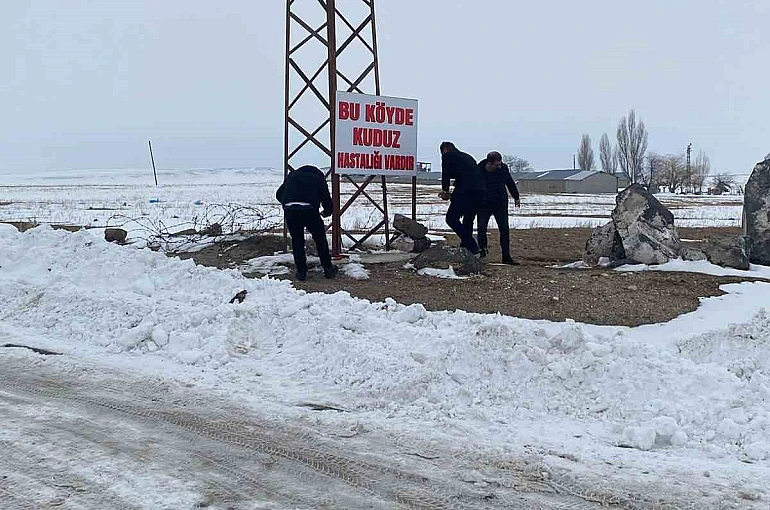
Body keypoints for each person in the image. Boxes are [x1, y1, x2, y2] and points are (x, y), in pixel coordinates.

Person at [276, 165, 339, 281]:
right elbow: (326, 198)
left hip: (291, 211)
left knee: (297, 241)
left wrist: (289, 202)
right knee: (320, 239)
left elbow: (279, 194)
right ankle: (328, 268)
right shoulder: (318, 178)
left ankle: (301, 272)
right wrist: (327, 212)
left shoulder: (292, 176)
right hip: (310, 211)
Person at [438, 142, 485, 255]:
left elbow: (446, 174)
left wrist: (445, 190)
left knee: (451, 219)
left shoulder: (448, 156)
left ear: (444, 150)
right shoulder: (467, 157)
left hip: (465, 191)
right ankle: (466, 249)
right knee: (468, 220)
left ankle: (473, 247)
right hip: (480, 192)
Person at [477, 151, 521, 264]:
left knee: (504, 230)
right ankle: (482, 253)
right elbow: (472, 183)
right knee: (481, 229)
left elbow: (510, 182)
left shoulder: (503, 168)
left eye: (499, 164)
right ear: (489, 163)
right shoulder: (479, 168)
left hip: (500, 203)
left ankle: (506, 257)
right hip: (483, 204)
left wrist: (516, 196)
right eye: (496, 165)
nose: (498, 167)